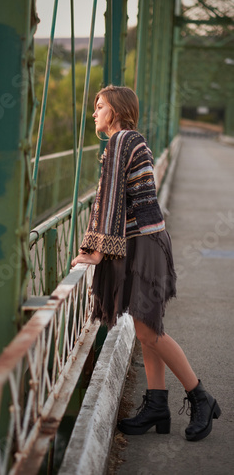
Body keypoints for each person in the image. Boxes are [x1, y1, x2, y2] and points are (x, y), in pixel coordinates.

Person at [71, 85, 221, 442]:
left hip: (144, 245)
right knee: (146, 326)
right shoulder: (129, 140)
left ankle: (200, 396)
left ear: (117, 111)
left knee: (149, 331)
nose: (94, 113)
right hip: (143, 241)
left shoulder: (121, 140)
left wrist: (95, 249)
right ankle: (157, 405)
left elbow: (108, 201)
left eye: (100, 106)